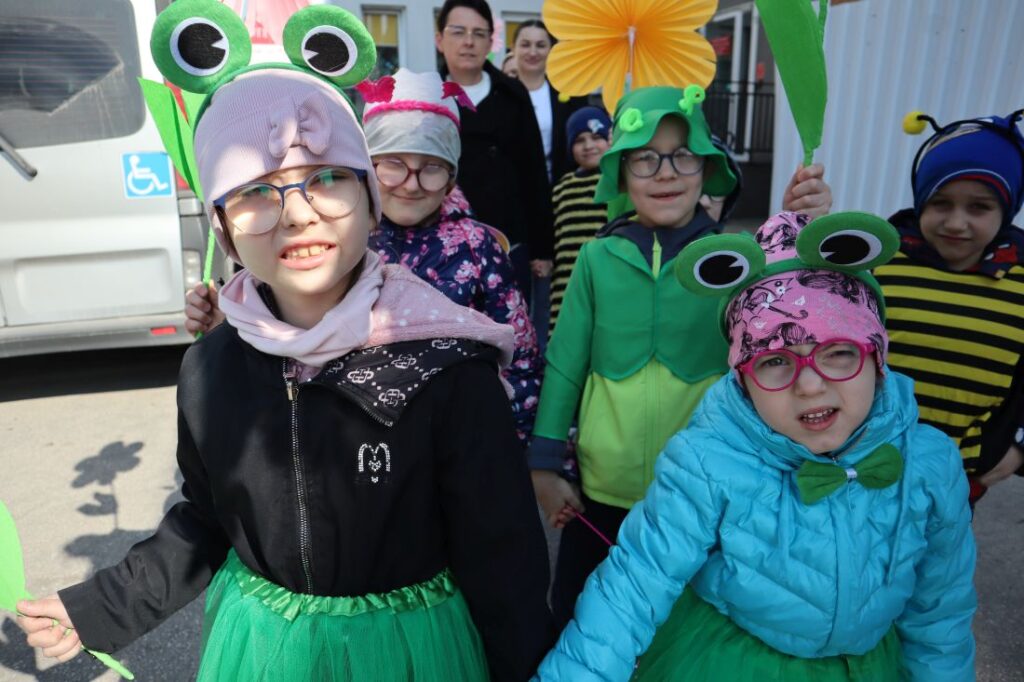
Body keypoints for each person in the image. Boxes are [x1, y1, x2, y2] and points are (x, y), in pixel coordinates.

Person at [16, 5, 553, 680]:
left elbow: (503, 555)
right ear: (221, 224)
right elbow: (208, 520)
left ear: (369, 199)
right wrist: (99, 608)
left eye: (326, 177)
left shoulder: (446, 363)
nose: (298, 214)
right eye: (254, 192)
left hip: (411, 653)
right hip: (266, 650)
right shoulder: (212, 367)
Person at [535, 210, 977, 681]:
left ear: (877, 358)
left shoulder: (929, 463)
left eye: (838, 353)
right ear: (743, 380)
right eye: (774, 361)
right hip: (733, 661)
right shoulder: (707, 461)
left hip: (868, 664)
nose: (810, 385)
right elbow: (633, 586)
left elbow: (940, 610)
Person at [528, 86, 835, 630]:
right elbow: (566, 361)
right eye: (645, 157)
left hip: (705, 492)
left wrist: (796, 230)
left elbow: (786, 329)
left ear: (708, 168)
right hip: (602, 492)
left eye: (683, 155)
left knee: (686, 630)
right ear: (621, 172)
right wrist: (545, 463)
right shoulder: (597, 257)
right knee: (582, 622)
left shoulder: (738, 261)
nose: (665, 172)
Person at [188, 68, 544, 446]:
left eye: (432, 167)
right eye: (393, 164)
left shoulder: (478, 246)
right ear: (369, 172)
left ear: (452, 177)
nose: (411, 184)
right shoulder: (338, 238)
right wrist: (234, 327)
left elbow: (520, 354)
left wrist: (508, 440)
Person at [874, 110, 1024, 506]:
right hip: (866, 466)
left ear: (1006, 209)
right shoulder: (883, 264)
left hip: (956, 481)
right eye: (940, 203)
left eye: (979, 207)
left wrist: (1018, 449)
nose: (956, 223)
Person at [434, 0, 554, 299]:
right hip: (441, 244)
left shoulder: (512, 94)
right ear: (439, 39)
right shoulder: (428, 97)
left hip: (508, 239)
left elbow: (535, 173)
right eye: (458, 32)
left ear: (490, 42)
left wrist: (542, 248)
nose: (468, 42)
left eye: (479, 33)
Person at [549, 106, 612, 335]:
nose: (588, 146)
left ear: (610, 139)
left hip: (607, 278)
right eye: (579, 140)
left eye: (597, 137)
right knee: (568, 335)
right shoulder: (562, 187)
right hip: (566, 281)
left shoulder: (618, 182)